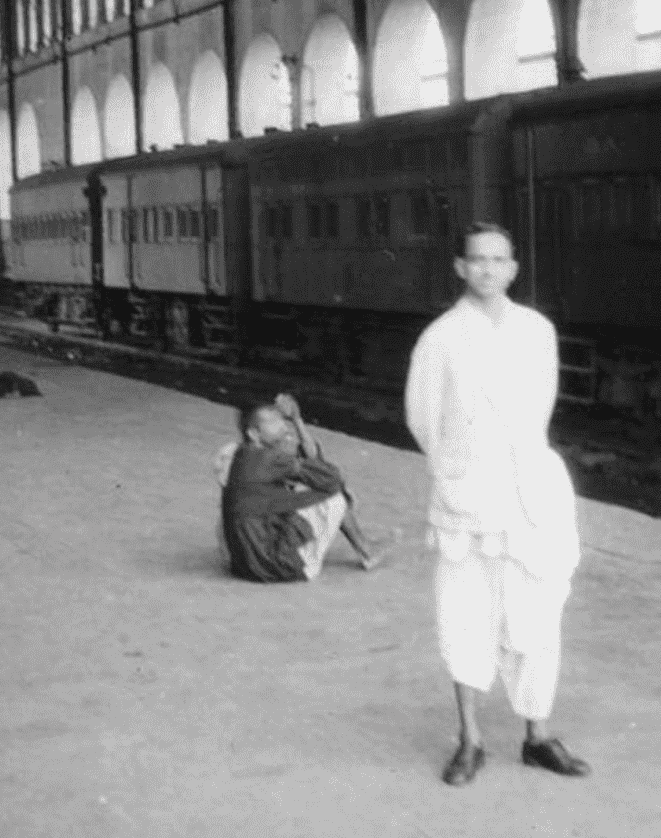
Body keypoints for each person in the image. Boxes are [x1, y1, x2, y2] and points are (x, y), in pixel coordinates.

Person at [404, 221, 589, 787]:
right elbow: (423, 418)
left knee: (536, 611)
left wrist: (518, 463)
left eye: (499, 259)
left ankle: (537, 736)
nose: (488, 269)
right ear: (460, 267)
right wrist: (461, 471)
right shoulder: (440, 337)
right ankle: (470, 740)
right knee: (464, 614)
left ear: (513, 268)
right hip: (467, 498)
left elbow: (542, 407)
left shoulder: (537, 330)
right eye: (477, 259)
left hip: (530, 493)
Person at [220, 392, 382, 582]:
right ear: (254, 434)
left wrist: (297, 420)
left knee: (302, 490)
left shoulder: (243, 453)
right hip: (274, 566)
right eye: (273, 422)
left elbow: (311, 463)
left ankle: (365, 549)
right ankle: (366, 550)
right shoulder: (269, 458)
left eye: (282, 420)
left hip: (243, 565)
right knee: (335, 497)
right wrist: (341, 493)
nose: (282, 426)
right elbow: (331, 478)